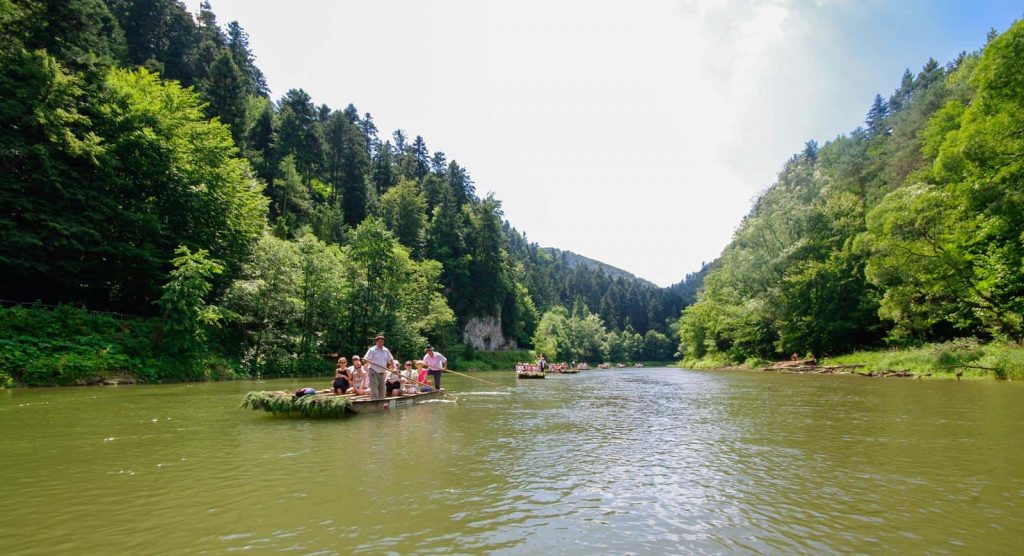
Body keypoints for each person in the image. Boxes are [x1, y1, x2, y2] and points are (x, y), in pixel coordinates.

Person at [364, 334, 394, 400]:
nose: (381, 342)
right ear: (376, 342)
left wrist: (393, 366)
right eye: (380, 341)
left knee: (382, 389)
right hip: (373, 371)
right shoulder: (372, 350)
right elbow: (365, 359)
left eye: (382, 341)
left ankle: (381, 402)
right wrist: (370, 361)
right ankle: (374, 402)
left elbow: (391, 359)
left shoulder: (386, 350)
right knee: (374, 389)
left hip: (382, 372)